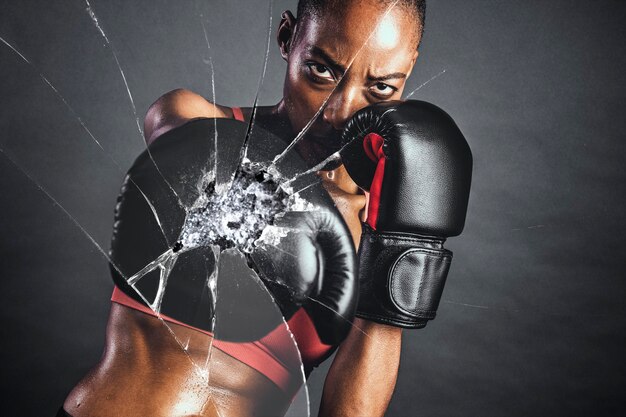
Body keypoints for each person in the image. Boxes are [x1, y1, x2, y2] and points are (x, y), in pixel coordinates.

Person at [61, 0, 471, 416]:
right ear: (287, 38)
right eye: (322, 70)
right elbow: (183, 148)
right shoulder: (195, 119)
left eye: (381, 87)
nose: (340, 113)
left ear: (409, 70)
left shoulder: (378, 227)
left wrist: (405, 246)